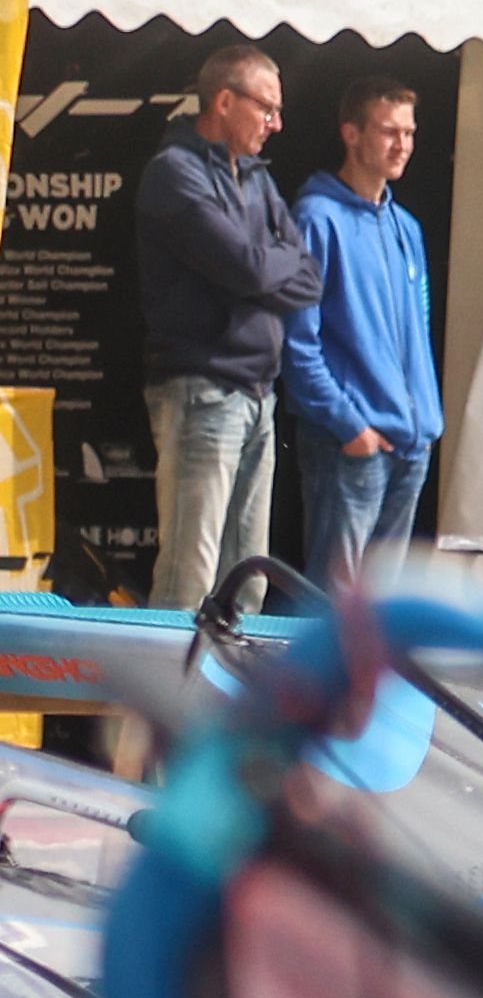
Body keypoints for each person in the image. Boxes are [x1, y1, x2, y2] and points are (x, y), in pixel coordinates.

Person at [127, 49, 312, 607]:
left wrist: (261, 267)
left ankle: (231, 695)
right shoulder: (174, 173)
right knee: (192, 576)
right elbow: (252, 267)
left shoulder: (255, 177)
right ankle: (169, 697)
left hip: (258, 395)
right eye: (267, 108)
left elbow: (309, 277)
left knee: (248, 580)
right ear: (225, 101)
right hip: (203, 392)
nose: (276, 124)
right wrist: (263, 265)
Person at [278, 79, 441, 573]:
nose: (403, 145)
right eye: (390, 131)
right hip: (350, 449)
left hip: (411, 446)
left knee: (380, 612)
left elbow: (419, 329)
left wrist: (425, 420)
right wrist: (351, 426)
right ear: (351, 134)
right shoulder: (315, 219)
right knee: (336, 611)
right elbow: (298, 341)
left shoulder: (406, 227)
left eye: (409, 133)